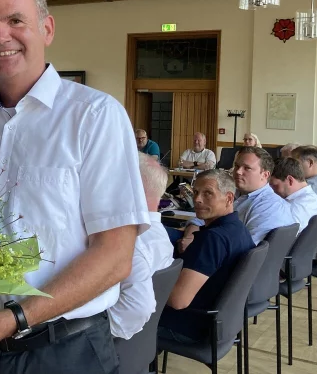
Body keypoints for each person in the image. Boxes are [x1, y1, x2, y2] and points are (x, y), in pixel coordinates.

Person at [0, 0, 149, 374]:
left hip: (64, 350)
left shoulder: (94, 117)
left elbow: (116, 257)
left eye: (15, 20)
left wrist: (10, 320)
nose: (0, 36)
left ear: (46, 28)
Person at [158, 170, 255, 343]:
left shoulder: (212, 239)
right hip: (223, 323)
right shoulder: (239, 229)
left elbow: (178, 301)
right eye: (195, 192)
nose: (197, 199)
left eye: (208, 193)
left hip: (194, 326)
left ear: (229, 198)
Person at [109, 153, 174, 340]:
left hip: (114, 348)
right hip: (143, 343)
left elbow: (138, 309)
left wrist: (94, 333)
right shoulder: (159, 233)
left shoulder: (133, 242)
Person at [175, 147, 291, 248]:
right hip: (207, 240)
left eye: (247, 168)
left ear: (265, 175)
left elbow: (249, 254)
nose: (238, 172)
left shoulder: (269, 207)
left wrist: (195, 243)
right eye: (237, 166)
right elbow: (201, 218)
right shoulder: (236, 194)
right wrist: (190, 236)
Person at [269, 157, 317, 235]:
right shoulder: (310, 197)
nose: (271, 190)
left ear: (290, 180)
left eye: (274, 185)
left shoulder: (294, 207)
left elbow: (279, 238)